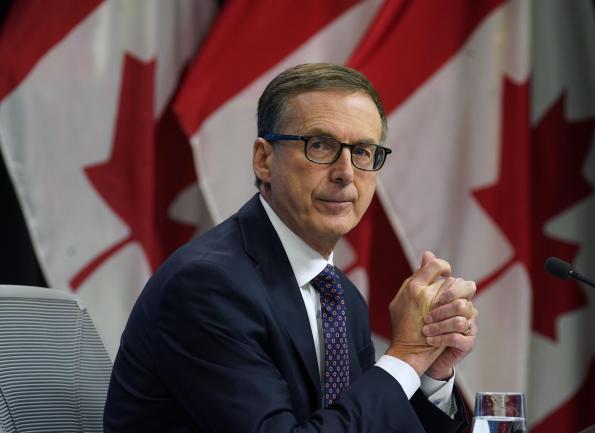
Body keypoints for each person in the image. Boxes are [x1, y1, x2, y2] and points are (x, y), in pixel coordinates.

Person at [104, 63, 478, 432]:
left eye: (363, 151)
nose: (346, 172)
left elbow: (357, 424)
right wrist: (405, 357)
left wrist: (429, 371)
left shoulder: (340, 296)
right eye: (320, 145)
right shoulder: (207, 285)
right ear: (264, 160)